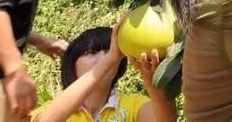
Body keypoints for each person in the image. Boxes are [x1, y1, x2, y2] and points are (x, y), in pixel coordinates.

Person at [30, 25, 178, 122]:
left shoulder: (135, 104)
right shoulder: (53, 108)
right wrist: (109, 59)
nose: (104, 58)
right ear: (71, 63)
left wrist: (154, 84)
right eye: (92, 52)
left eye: (109, 51)